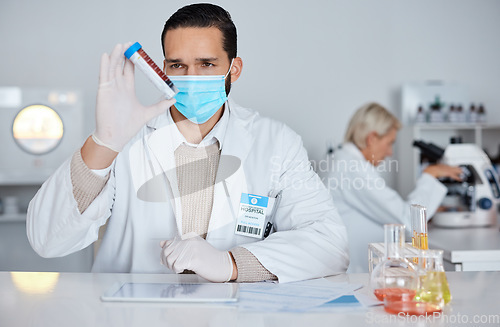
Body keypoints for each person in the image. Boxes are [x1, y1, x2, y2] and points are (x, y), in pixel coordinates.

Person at [27, 3, 348, 283]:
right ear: (163, 68)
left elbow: (329, 243)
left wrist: (231, 263)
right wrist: (105, 142)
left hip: (234, 315)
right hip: (132, 314)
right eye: (177, 65)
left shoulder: (276, 142)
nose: (190, 77)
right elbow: (47, 240)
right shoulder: (126, 138)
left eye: (207, 64)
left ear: (233, 69)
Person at [327, 103, 462, 273]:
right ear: (372, 138)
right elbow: (408, 220)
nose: (390, 152)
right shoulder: (352, 169)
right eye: (390, 143)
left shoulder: (346, 162)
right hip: (353, 273)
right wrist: (430, 175)